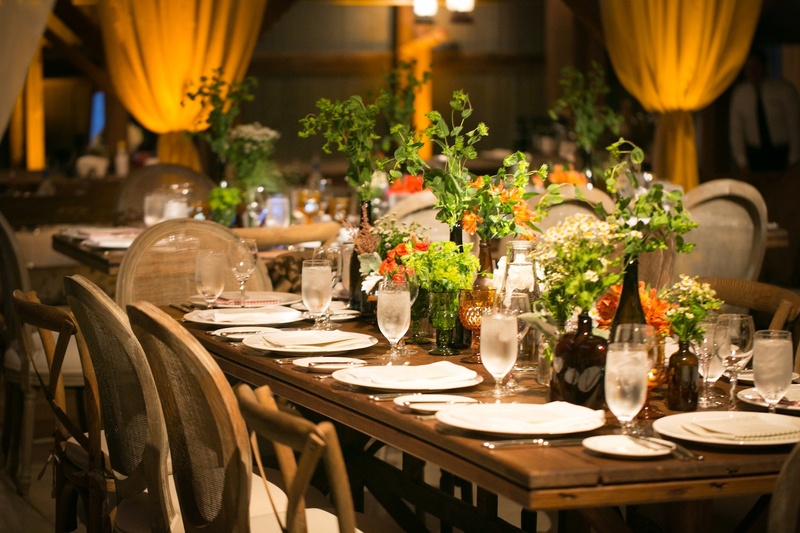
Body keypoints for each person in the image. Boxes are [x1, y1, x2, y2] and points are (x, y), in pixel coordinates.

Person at [729, 49, 800, 177]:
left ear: (764, 66)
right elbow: (736, 130)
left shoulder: (784, 90)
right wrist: (742, 162)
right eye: (748, 68)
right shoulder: (740, 95)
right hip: (755, 154)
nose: (752, 72)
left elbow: (794, 125)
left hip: (781, 152)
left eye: (755, 66)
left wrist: (794, 159)